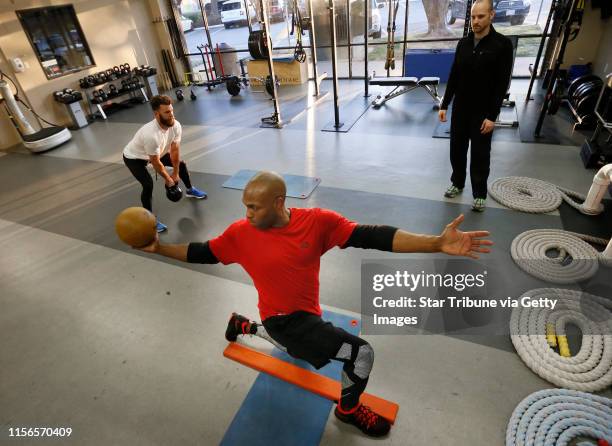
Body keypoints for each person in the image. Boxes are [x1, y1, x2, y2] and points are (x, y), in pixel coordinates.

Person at [139, 171, 493, 437]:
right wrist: (159, 249)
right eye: (244, 206)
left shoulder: (317, 223)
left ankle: (242, 325)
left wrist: (434, 244)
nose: (246, 213)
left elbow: (371, 235)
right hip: (284, 320)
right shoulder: (239, 234)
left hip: (307, 313)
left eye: (253, 206)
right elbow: (202, 252)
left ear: (280, 203)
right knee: (362, 354)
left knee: (295, 347)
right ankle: (348, 410)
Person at [439, 0, 513, 212]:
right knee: (457, 150)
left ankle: (479, 193)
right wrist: (445, 104)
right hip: (461, 108)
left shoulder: (502, 45)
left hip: (483, 111)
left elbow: (501, 83)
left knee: (480, 154)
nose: (475, 21)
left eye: (480, 16)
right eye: (473, 17)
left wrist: (493, 115)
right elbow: (454, 76)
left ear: (492, 15)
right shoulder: (463, 44)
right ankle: (457, 182)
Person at [123, 95, 207, 233]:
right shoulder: (151, 135)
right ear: (157, 114)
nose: (171, 115)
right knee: (148, 184)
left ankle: (190, 189)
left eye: (172, 110)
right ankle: (149, 220)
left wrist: (175, 173)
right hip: (135, 157)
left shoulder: (175, 125)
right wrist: (168, 180)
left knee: (182, 165)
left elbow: (174, 150)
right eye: (167, 112)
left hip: (158, 152)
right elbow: (155, 162)